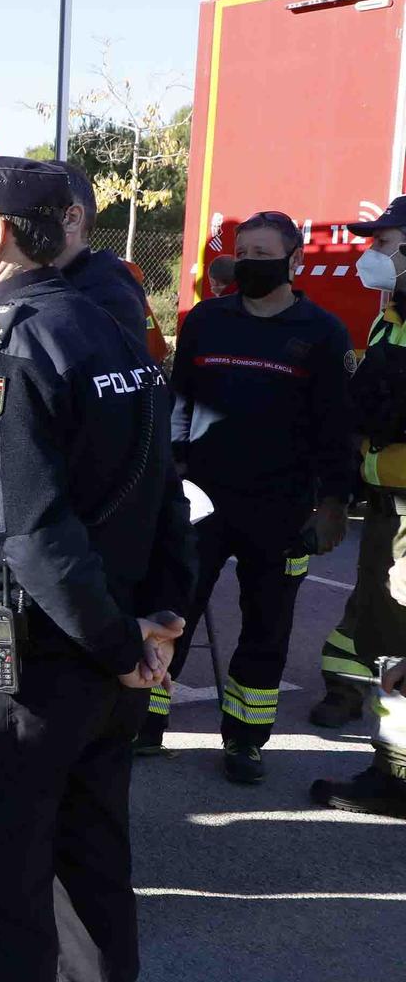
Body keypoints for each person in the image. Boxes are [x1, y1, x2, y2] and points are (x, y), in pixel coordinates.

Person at [0, 156, 193, 982]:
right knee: (91, 866)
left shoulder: (3, 346)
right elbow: (164, 488)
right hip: (99, 656)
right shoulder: (105, 325)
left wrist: (119, 641)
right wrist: (159, 621)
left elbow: (26, 527)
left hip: (18, 664)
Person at [145, 210, 353, 780]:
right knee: (174, 609)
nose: (251, 264)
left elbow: (335, 427)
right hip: (201, 500)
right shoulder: (206, 321)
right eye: (244, 252)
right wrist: (170, 475)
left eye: (264, 253)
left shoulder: (322, 333)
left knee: (267, 625)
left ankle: (244, 739)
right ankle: (146, 719)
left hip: (282, 509)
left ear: (294, 260)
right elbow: (179, 403)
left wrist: (333, 502)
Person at [311, 199, 406, 819]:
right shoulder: (391, 318)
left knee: (400, 638)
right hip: (389, 498)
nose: (374, 254)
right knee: (383, 628)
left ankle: (395, 778)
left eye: (388, 242)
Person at [58, 162, 167, 359]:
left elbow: (154, 351)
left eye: (33, 212)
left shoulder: (108, 293)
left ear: (72, 218)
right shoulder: (105, 278)